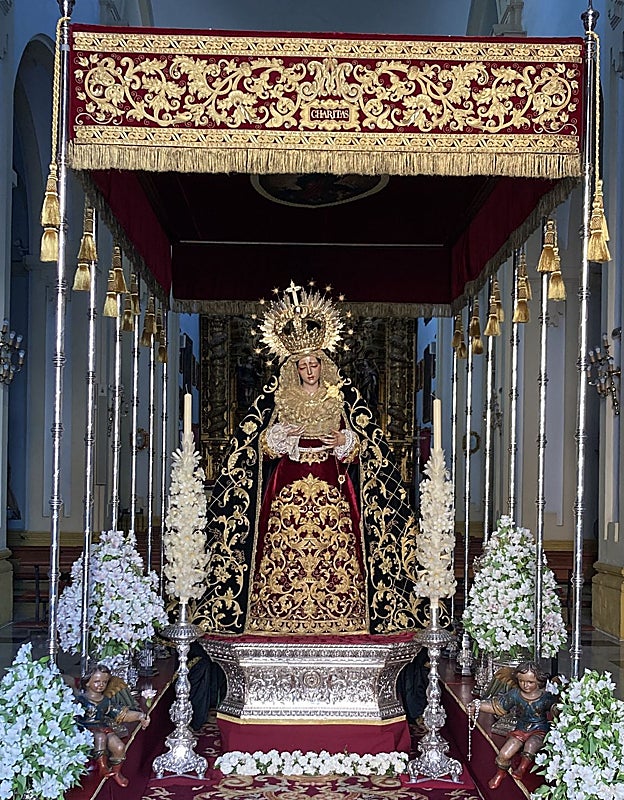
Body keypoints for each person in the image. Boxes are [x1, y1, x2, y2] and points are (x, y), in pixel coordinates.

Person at [195, 282, 425, 636]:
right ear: (294, 369)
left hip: (332, 477)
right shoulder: (279, 397)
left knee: (340, 537)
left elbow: (365, 442)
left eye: (314, 364)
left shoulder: (341, 396)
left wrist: (345, 441)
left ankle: (344, 611)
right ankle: (274, 610)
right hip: (288, 477)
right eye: (302, 366)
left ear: (322, 364)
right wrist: (278, 439)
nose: (309, 370)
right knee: (281, 536)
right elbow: (256, 445)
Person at [468, 661, 557, 790]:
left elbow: (555, 709)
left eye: (530, 682)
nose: (525, 685)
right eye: (521, 681)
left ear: (539, 681)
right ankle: (500, 773)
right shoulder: (515, 694)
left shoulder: (545, 697)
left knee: (531, 745)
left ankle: (522, 768)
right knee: (504, 753)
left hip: (539, 730)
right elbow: (497, 706)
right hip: (520, 730)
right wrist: (478, 705)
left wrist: (557, 710)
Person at [75, 664, 150, 787]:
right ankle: (102, 767)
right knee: (100, 737)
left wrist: (139, 716)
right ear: (87, 682)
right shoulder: (81, 699)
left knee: (119, 747)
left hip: (102, 727)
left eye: (104, 682)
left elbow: (121, 714)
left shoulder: (106, 702)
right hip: (85, 729)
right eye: (97, 681)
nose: (101, 685)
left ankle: (116, 772)